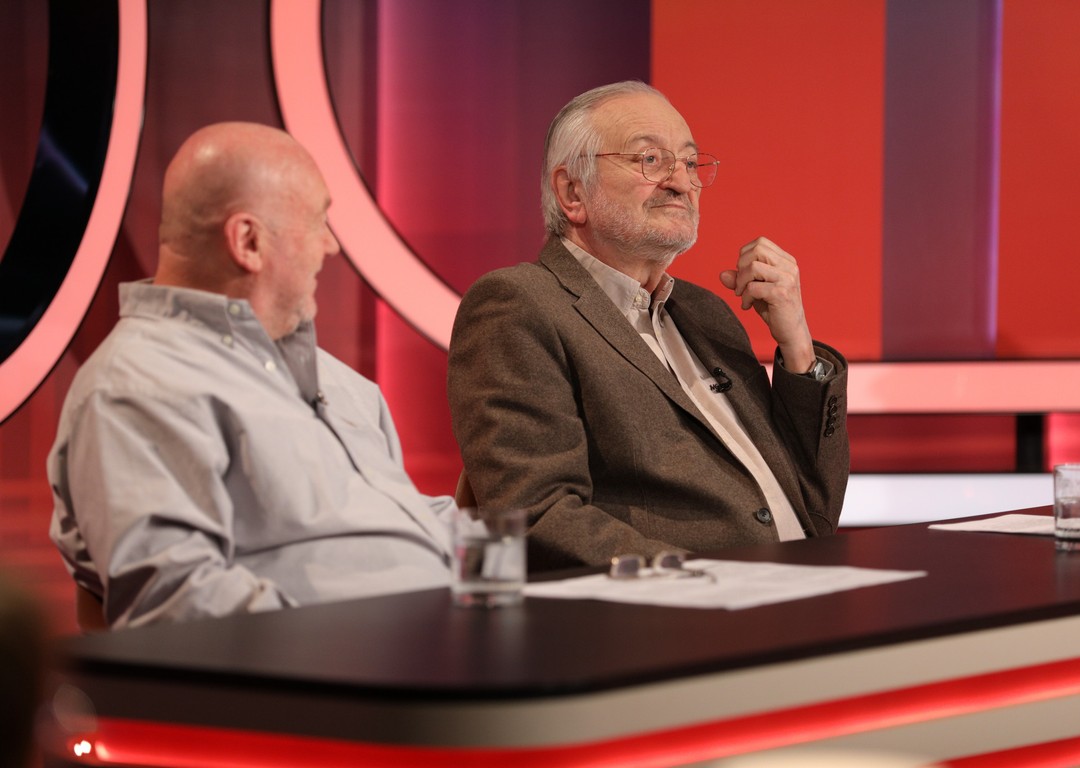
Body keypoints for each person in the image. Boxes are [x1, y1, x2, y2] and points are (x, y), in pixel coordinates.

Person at [48, 122, 453, 629]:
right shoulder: (135, 388)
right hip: (346, 665)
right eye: (317, 221)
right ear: (248, 241)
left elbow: (407, 524)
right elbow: (179, 601)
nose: (331, 245)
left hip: (451, 630)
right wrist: (373, 644)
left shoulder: (346, 387)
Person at [447, 81, 849, 571]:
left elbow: (817, 510)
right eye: (650, 160)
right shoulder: (520, 304)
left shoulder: (707, 314)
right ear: (573, 192)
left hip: (802, 584)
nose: (681, 182)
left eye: (690, 163)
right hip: (678, 605)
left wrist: (798, 347)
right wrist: (702, 580)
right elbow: (539, 514)